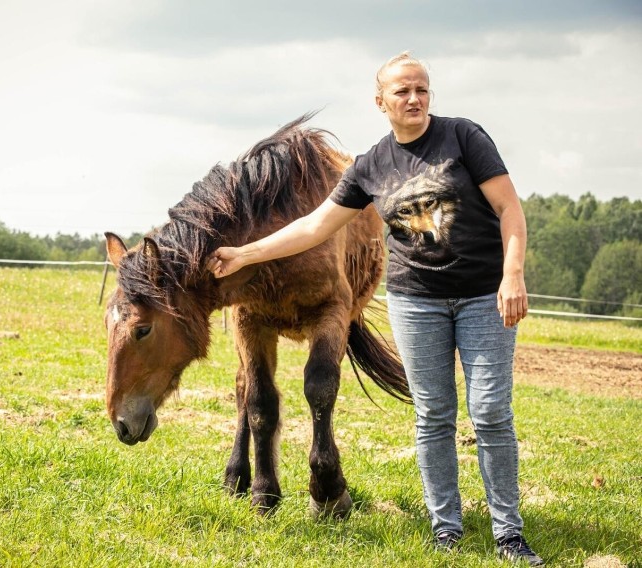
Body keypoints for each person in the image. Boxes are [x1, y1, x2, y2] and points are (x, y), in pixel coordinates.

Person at [207, 52, 544, 566]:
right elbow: (315, 227)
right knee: (433, 416)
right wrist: (246, 254)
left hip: (482, 295)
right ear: (380, 100)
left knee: (491, 413)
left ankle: (509, 533)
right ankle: (446, 528)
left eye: (422, 90)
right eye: (403, 91)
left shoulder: (464, 137)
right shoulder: (369, 166)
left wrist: (513, 273)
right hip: (415, 301)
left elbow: (509, 208)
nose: (414, 99)